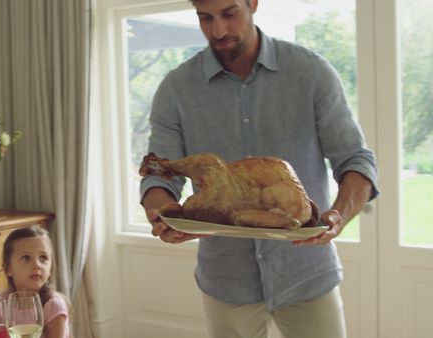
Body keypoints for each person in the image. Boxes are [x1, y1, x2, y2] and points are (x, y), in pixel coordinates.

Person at [140, 0, 379, 337]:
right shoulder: (177, 89)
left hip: (307, 275)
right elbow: (157, 173)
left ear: (253, 3)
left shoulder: (310, 72)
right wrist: (162, 214)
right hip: (226, 280)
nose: (218, 31)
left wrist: (338, 216)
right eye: (205, 18)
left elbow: (356, 160)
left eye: (229, 13)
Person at [0, 225, 70, 338]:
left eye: (43, 258)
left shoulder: (53, 305)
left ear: (51, 268)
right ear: (8, 269)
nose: (37, 265)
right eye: (26, 258)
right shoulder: (1, 303)